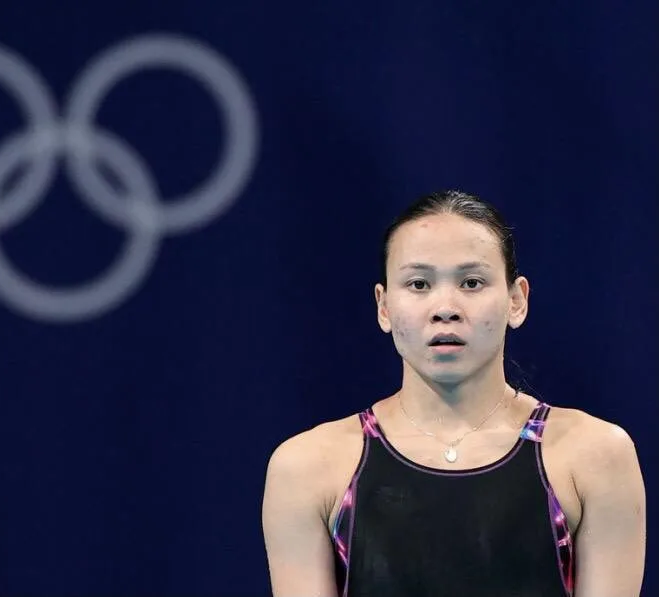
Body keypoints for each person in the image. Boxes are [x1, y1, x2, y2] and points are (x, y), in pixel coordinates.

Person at [261, 190, 646, 596]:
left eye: (471, 283)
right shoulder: (308, 468)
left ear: (516, 301)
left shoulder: (595, 457)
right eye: (419, 284)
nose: (445, 307)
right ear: (384, 307)